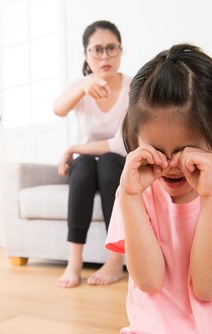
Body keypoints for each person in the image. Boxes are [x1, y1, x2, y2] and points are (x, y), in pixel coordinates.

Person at [106, 44, 212, 333]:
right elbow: (148, 281)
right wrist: (129, 198)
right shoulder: (133, 194)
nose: (170, 164)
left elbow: (208, 287)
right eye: (155, 150)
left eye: (185, 149)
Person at [53, 20, 131, 288]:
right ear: (86, 55)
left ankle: (114, 261)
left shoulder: (134, 88)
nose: (105, 56)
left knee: (109, 163)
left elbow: (121, 144)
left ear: (121, 51)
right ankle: (74, 262)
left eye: (111, 48)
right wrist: (83, 86)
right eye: (96, 50)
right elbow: (58, 109)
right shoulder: (81, 86)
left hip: (115, 163)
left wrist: (72, 148)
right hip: (85, 167)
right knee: (84, 167)